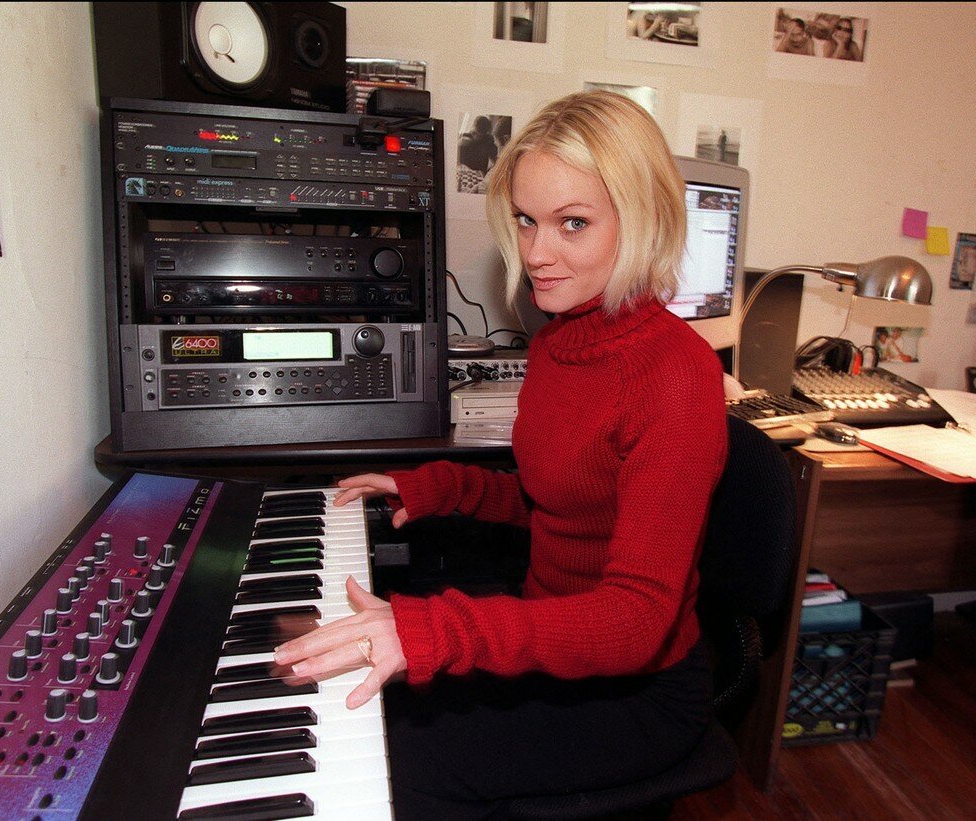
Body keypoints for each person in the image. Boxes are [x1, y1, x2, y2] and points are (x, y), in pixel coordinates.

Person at [274, 90, 729, 819]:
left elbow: (636, 618)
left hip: (639, 689)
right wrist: (433, 488)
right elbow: (556, 502)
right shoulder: (557, 342)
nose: (536, 253)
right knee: (369, 718)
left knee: (400, 769)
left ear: (641, 217)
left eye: (572, 223)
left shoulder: (677, 375)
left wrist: (432, 628)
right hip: (555, 637)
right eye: (525, 219)